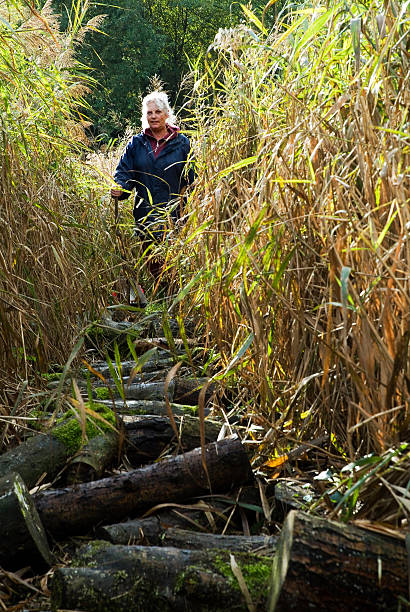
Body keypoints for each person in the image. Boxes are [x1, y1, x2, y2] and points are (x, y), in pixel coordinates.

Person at [111, 91, 195, 242]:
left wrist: (191, 211)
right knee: (151, 263)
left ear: (167, 114)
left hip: (175, 218)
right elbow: (124, 173)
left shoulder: (182, 143)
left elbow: (193, 180)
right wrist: (120, 187)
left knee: (173, 263)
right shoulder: (136, 144)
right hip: (146, 218)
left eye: (158, 112)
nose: (154, 116)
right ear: (145, 116)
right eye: (149, 113)